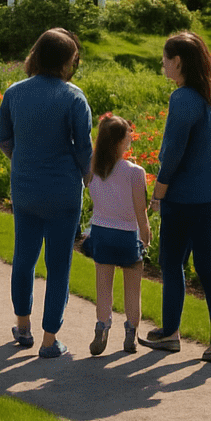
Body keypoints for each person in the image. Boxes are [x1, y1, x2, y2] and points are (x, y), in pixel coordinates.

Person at [140, 32, 211, 363]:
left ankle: (170, 333)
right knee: (208, 266)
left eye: (165, 58)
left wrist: (159, 191)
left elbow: (172, 151)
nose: (162, 63)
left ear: (179, 62)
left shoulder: (183, 98)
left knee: (172, 262)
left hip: (184, 197)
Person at [0, 28, 92, 359]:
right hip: (63, 190)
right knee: (59, 264)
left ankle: (23, 327)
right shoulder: (73, 97)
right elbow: (84, 149)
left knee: (24, 257)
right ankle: (50, 340)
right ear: (67, 61)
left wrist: (20, 158)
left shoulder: (15, 92)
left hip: (26, 187)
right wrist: (91, 179)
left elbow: (2, 136)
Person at [81, 114, 150, 355]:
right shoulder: (135, 172)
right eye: (128, 135)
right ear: (121, 142)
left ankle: (102, 328)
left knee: (103, 287)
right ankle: (130, 334)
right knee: (132, 290)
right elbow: (140, 212)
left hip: (101, 233)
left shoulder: (94, 169)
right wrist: (146, 237)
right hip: (128, 235)